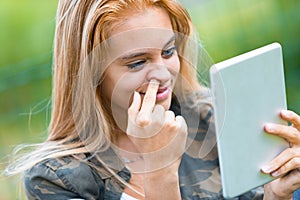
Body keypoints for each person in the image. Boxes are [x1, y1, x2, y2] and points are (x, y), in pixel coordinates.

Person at [4, 0, 300, 199]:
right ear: (90, 74)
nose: (163, 72)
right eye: (136, 63)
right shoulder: (55, 179)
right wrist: (158, 169)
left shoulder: (211, 119)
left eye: (169, 52)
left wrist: (275, 194)